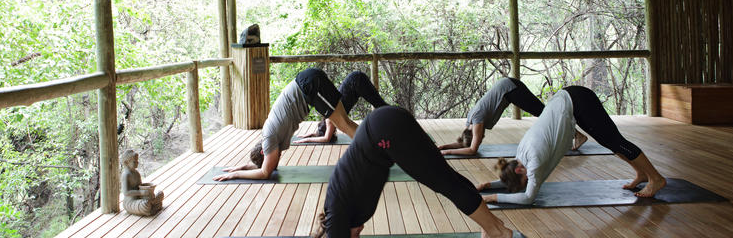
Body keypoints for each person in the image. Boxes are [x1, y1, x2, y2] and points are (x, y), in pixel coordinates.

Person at [314, 106, 519, 238]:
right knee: (447, 178)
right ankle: (491, 226)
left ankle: (498, 231)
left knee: (446, 183)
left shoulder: (336, 220)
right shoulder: (338, 208)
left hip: (386, 133)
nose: (360, 233)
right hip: (385, 124)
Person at [478, 86, 666, 204]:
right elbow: (519, 183)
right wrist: (490, 185)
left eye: (525, 181)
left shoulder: (534, 160)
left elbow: (528, 197)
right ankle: (641, 174)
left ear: (520, 171)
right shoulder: (520, 156)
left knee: (616, 141)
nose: (529, 182)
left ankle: (656, 179)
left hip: (577, 101)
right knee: (610, 142)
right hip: (573, 100)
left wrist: (492, 197)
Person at [213, 68, 361, 181]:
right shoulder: (272, 137)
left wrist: (237, 174)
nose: (275, 162)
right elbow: (269, 167)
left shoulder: (269, 138)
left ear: (264, 152)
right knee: (343, 123)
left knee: (344, 125)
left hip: (309, 87)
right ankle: (375, 145)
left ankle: (373, 151)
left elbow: (265, 172)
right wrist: (245, 166)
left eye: (270, 159)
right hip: (308, 82)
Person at [438, 78, 587, 156]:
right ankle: (574, 134)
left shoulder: (477, 120)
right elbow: (464, 144)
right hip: (508, 88)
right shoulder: (469, 122)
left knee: (545, 114)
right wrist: (442, 147)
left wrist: (448, 152)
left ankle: (578, 135)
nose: (482, 137)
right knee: (543, 113)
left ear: (475, 133)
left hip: (510, 89)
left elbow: (472, 150)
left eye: (480, 137)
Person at [294, 70, 389, 144]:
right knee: (380, 105)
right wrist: (313, 134)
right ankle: (395, 121)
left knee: (381, 106)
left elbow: (326, 139)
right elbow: (323, 135)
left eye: (331, 132)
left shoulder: (330, 119)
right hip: (355, 79)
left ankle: (397, 124)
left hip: (356, 81)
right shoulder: (329, 113)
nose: (333, 131)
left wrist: (307, 140)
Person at [121, 149, 164, 216]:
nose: (137, 163)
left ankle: (152, 205)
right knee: (145, 205)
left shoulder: (137, 173)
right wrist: (141, 192)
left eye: (137, 161)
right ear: (127, 162)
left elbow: (140, 186)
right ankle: (152, 206)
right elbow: (126, 192)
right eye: (134, 162)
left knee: (160, 194)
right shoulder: (126, 175)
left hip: (140, 199)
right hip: (130, 202)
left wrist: (148, 189)